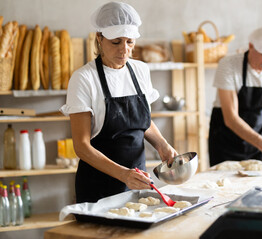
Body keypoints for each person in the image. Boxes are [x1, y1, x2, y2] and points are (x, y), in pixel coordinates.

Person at [60, 1, 177, 203]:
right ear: (99, 37)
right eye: (116, 41)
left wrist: (162, 144)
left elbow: (141, 120)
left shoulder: (140, 71)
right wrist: (123, 174)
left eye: (130, 42)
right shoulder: (84, 79)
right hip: (98, 189)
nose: (124, 50)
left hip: (139, 182)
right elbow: (81, 146)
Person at [208, 26, 262, 168]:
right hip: (225, 142)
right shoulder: (228, 65)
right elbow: (231, 118)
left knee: (260, 186)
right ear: (251, 46)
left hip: (258, 143)